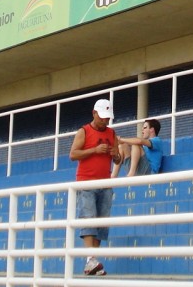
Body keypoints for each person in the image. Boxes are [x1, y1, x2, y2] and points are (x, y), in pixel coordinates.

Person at [69, 99, 121, 276]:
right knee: (89, 217)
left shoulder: (112, 133)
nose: (105, 121)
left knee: (101, 222)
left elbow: (119, 159)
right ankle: (90, 259)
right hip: (86, 182)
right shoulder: (83, 131)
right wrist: (94, 150)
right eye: (103, 117)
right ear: (94, 113)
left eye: (108, 118)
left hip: (105, 182)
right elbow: (73, 154)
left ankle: (92, 261)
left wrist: (116, 155)